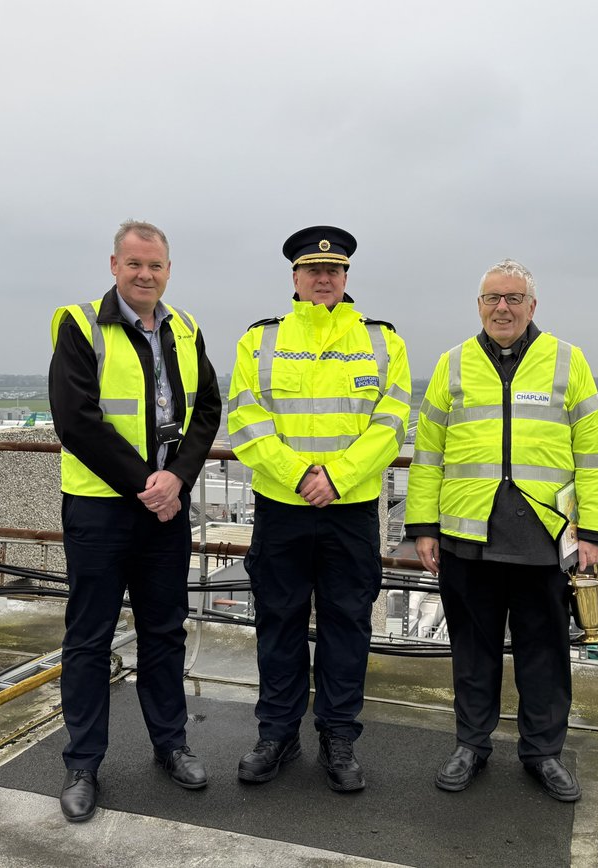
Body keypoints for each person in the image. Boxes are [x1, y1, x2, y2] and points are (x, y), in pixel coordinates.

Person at [404, 259, 598, 802]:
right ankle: (471, 745)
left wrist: (592, 531)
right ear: (478, 305)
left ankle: (542, 752)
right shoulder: (453, 365)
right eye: (492, 298)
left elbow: (594, 452)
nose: (503, 307)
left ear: (532, 306)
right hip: (466, 536)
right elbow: (427, 455)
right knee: (471, 651)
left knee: (543, 653)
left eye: (514, 298)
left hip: (543, 540)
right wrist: (424, 526)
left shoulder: (568, 361)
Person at [228, 225, 411, 793]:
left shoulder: (383, 341)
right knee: (277, 623)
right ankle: (277, 734)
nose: (324, 277)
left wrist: (335, 476)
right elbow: (244, 418)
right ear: (295, 277)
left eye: (334, 270)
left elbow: (392, 422)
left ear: (347, 276)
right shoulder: (259, 340)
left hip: (350, 510)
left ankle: (338, 737)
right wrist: (300, 475)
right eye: (313, 269)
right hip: (282, 507)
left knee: (347, 626)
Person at [48, 220, 221, 822]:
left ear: (168, 269)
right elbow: (76, 419)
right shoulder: (79, 324)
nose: (145, 275)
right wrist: (148, 485)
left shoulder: (186, 327)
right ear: (114, 266)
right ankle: (82, 763)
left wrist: (178, 480)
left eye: (156, 266)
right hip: (101, 508)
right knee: (90, 639)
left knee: (164, 632)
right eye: (134, 265)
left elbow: (207, 412)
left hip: (165, 508)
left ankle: (170, 744)